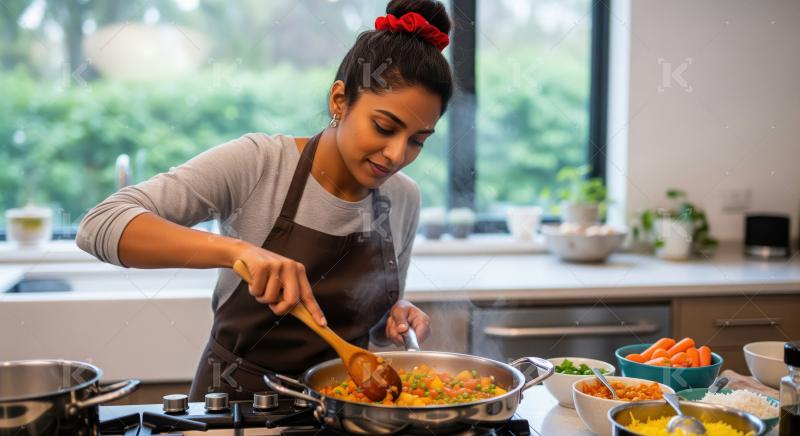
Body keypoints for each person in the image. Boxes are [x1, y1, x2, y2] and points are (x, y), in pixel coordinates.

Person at [76, 0, 454, 400]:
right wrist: (238, 252)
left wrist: (391, 321)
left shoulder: (403, 197)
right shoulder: (258, 164)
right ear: (339, 101)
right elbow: (100, 224)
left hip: (346, 409)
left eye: (416, 141)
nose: (397, 155)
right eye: (384, 126)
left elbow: (364, 321)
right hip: (237, 408)